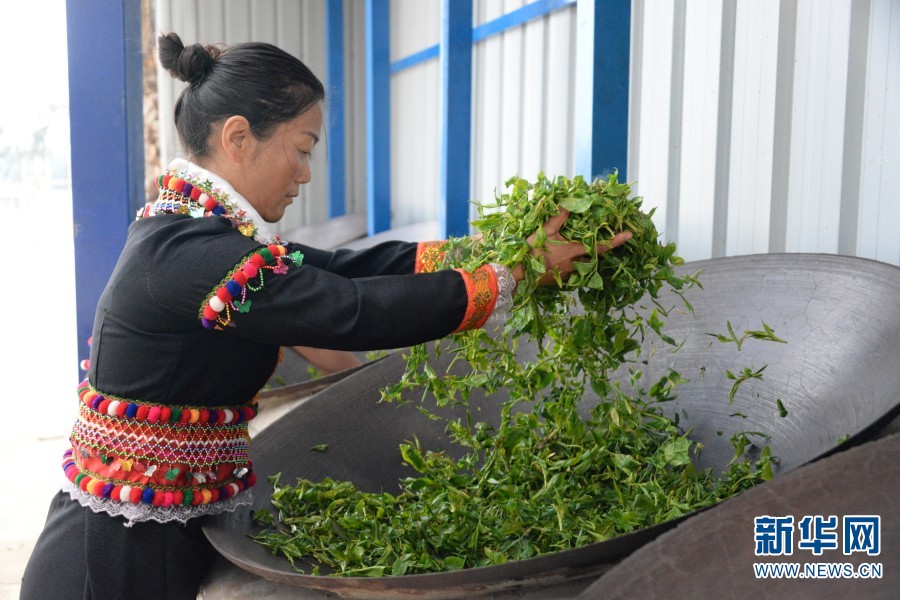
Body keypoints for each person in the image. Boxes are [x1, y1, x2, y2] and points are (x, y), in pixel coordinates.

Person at [21, 33, 631, 599]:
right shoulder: (191, 254)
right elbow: (347, 311)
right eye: (302, 149)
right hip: (110, 555)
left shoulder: (200, 231)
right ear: (239, 137)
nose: (306, 174)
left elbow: (343, 268)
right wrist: (511, 277)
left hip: (153, 529)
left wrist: (486, 251)